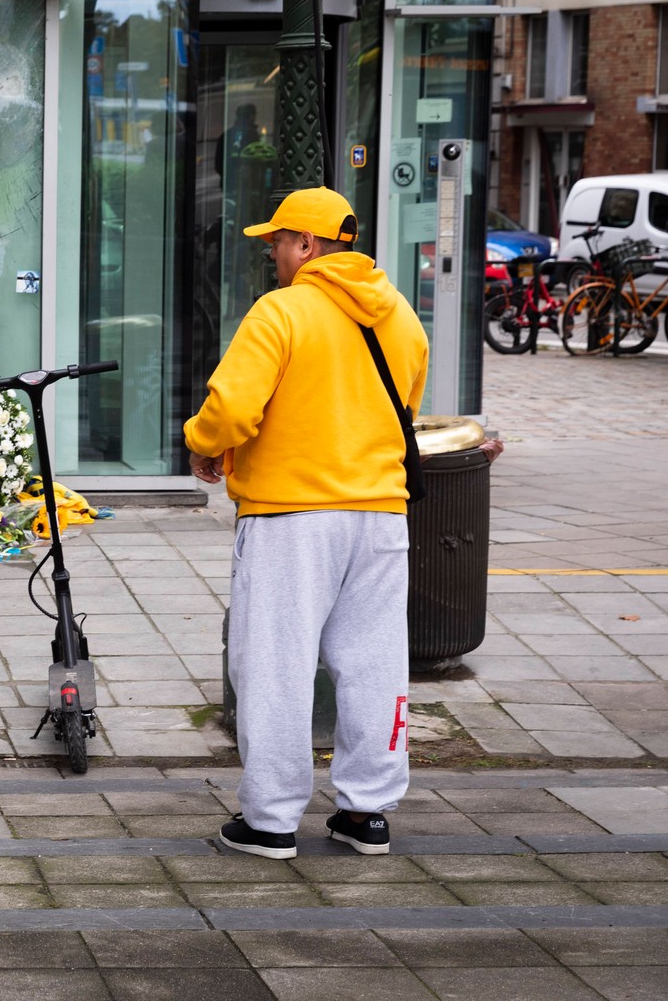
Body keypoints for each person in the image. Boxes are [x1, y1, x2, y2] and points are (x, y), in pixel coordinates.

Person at [183, 186, 429, 859]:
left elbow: (232, 407)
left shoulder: (282, 311)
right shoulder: (400, 316)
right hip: (380, 512)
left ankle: (269, 819)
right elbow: (406, 403)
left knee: (274, 662)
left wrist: (206, 443)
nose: (271, 250)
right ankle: (366, 814)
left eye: (278, 239)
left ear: (309, 245)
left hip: (293, 514)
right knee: (376, 663)